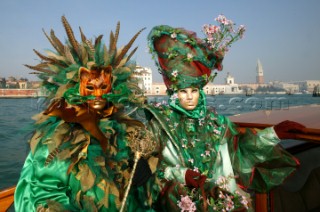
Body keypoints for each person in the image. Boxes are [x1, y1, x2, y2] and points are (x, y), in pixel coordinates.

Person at [144, 15, 305, 211]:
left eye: (194, 91)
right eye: (183, 92)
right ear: (174, 93)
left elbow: (240, 153)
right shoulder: (160, 123)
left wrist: (273, 134)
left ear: (200, 92)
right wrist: (181, 174)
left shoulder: (217, 123)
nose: (188, 97)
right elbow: (148, 169)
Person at [14, 16, 153, 211]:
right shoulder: (57, 140)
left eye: (103, 87)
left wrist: (139, 169)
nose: (97, 94)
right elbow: (46, 194)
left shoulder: (124, 132)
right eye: (89, 87)